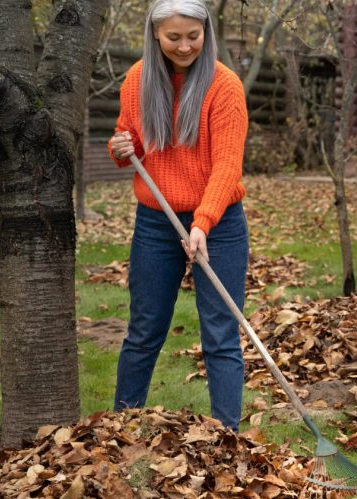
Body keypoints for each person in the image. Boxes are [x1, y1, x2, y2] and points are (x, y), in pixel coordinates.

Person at [108, 0, 249, 430]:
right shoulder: (137, 80)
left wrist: (202, 223)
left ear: (206, 32)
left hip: (219, 223)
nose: (185, 46)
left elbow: (227, 166)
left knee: (221, 336)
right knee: (144, 330)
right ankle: (120, 428)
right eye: (174, 37)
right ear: (155, 35)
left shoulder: (224, 87)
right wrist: (120, 148)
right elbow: (129, 139)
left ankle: (228, 439)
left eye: (194, 35)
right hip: (155, 221)